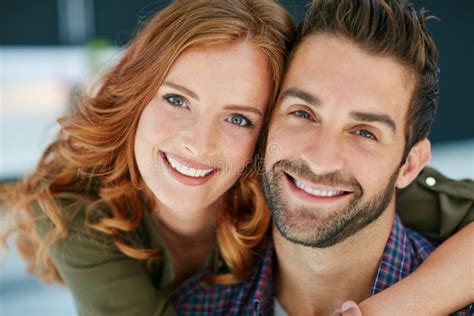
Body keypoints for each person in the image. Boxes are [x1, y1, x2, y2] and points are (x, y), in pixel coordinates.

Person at [0, 1, 471, 316]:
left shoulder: (316, 192)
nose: (199, 144)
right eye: (176, 100)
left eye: (239, 119)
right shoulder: (79, 214)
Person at [170, 0, 474, 315]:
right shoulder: (190, 308)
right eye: (303, 113)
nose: (320, 160)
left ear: (409, 165)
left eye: (365, 133)